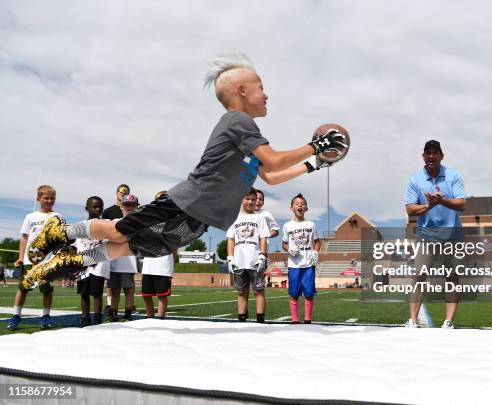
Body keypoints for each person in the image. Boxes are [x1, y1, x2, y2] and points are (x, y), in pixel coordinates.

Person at [22, 53, 346, 288]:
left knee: (131, 245)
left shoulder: (248, 140)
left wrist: (314, 163)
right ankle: (59, 233)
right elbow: (274, 161)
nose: (267, 93)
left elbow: (271, 175)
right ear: (242, 92)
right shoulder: (238, 121)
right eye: (261, 86)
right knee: (118, 230)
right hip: (184, 203)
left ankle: (74, 260)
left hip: (199, 220)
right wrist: (316, 147)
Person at [404, 140, 466, 330]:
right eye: (428, 152)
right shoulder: (415, 179)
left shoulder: (453, 174)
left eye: (435, 152)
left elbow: (462, 204)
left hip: (452, 234)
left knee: (452, 277)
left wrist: (442, 201)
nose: (431, 156)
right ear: (423, 156)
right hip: (426, 235)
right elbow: (410, 209)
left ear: (441, 156)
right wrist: (429, 206)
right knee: (419, 276)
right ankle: (412, 321)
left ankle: (449, 322)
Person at [6, 185, 61, 330]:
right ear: (38, 199)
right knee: (23, 288)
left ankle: (45, 316)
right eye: (46, 198)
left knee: (47, 290)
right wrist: (20, 256)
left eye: (52, 198)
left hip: (48, 261)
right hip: (29, 260)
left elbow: (61, 238)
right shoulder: (30, 217)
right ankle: (16, 316)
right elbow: (24, 237)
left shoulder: (57, 217)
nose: (49, 201)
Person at [226, 188, 271, 322]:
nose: (250, 201)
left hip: (255, 260)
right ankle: (241, 318)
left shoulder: (260, 217)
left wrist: (262, 255)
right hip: (239, 261)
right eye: (247, 198)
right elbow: (231, 239)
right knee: (241, 292)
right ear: (241, 199)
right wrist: (230, 257)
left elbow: (263, 237)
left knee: (258, 291)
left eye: (253, 199)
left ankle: (260, 319)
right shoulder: (234, 217)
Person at [282, 193, 320, 324]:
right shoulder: (287, 225)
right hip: (294, 265)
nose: (300, 205)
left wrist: (315, 252)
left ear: (306, 208)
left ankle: (308, 320)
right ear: (291, 208)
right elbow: (284, 243)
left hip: (308, 264)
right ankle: (295, 320)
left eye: (302, 204)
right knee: (293, 294)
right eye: (297, 203)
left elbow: (317, 241)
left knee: (309, 293)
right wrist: (289, 249)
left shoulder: (311, 224)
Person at [141, 191, 176, 319]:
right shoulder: (147, 218)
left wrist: (172, 265)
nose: (161, 201)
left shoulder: (173, 219)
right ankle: (149, 318)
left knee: (162, 295)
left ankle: (160, 318)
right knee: (146, 294)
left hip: (163, 264)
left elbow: (174, 245)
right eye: (158, 199)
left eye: (164, 198)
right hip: (149, 263)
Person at [107, 194, 140, 322]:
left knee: (129, 290)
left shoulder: (139, 224)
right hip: (115, 261)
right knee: (114, 290)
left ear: (136, 207)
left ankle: (127, 314)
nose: (130, 207)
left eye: (133, 205)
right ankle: (113, 313)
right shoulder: (114, 222)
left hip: (129, 262)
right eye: (127, 205)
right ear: (121, 207)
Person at [75, 196, 107, 327]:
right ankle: (85, 318)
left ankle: (97, 318)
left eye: (100, 206)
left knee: (97, 293)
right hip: (83, 265)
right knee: (84, 293)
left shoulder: (106, 224)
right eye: (94, 206)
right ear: (86, 208)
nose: (98, 209)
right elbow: (77, 245)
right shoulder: (80, 226)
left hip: (99, 265)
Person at [101, 184, 130, 314]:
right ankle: (109, 304)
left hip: (127, 251)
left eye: (125, 192)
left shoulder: (130, 209)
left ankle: (129, 306)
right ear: (116, 193)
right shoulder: (108, 211)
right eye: (121, 192)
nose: (122, 194)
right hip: (112, 248)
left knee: (128, 282)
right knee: (111, 281)